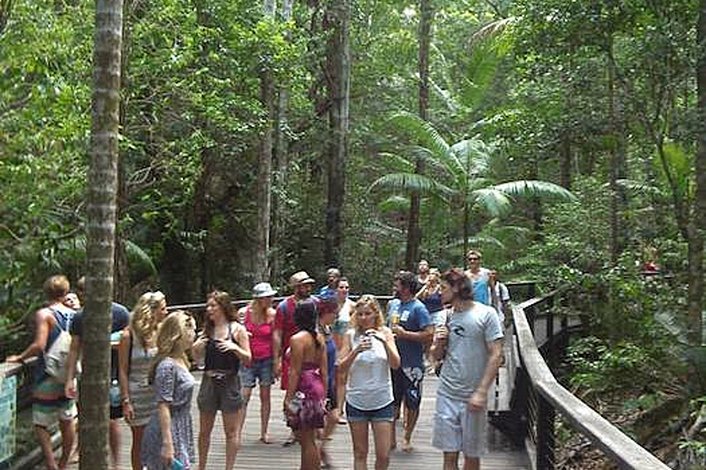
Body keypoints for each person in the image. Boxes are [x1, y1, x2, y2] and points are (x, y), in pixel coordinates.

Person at [430, 268, 503, 470]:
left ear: (456, 288)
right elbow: (435, 357)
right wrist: (439, 342)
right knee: (449, 454)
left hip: (473, 395)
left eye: (443, 288)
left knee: (471, 456)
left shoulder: (486, 314)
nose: (439, 292)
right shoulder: (444, 317)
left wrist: (482, 391)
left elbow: (496, 354)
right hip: (447, 393)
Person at [6, 275, 77, 470]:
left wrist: (20, 357)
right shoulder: (74, 314)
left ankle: (51, 464)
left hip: (48, 374)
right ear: (65, 291)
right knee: (67, 419)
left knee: (40, 422)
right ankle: (63, 463)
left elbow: (39, 345)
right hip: (68, 374)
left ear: (46, 292)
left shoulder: (45, 314)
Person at [63, 276, 130, 469]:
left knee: (112, 420)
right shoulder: (79, 317)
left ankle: (116, 463)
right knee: (86, 418)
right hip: (88, 375)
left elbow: (128, 342)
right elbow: (74, 348)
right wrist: (69, 379)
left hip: (114, 373)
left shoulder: (120, 313)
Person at [338, 295, 400, 470]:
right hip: (357, 400)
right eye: (360, 314)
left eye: (367, 314)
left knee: (383, 455)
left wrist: (384, 342)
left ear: (375, 314)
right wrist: (356, 351)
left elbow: (395, 364)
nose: (364, 318)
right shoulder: (350, 335)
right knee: (360, 452)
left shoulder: (385, 333)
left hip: (382, 400)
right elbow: (341, 367)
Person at [192, 291, 251, 470]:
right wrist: (196, 348)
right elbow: (196, 359)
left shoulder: (237, 329)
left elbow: (248, 359)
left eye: (213, 306)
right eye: (208, 306)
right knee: (204, 431)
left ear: (223, 307)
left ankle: (229, 467)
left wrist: (234, 348)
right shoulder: (207, 330)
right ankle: (201, 466)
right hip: (209, 381)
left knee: (231, 431)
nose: (209, 309)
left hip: (230, 381)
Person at [140, 311, 197, 470]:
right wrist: (167, 442)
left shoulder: (182, 359)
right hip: (167, 428)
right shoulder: (167, 365)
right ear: (181, 333)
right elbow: (163, 404)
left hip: (181, 424)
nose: (194, 334)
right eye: (192, 330)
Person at [118, 291, 168, 470]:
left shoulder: (161, 331)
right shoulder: (128, 336)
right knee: (139, 440)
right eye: (163, 309)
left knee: (159, 438)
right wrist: (126, 400)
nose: (166, 312)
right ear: (151, 311)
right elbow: (122, 370)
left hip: (158, 393)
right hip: (137, 394)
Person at [387, 270, 433, 452]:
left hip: (412, 364)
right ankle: (390, 437)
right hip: (393, 361)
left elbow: (429, 334)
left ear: (406, 288)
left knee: (412, 400)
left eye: (397, 285)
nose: (394, 288)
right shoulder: (393, 305)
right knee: (392, 400)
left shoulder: (418, 308)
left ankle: (407, 436)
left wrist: (406, 334)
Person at [273, 270, 316, 446]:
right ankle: (294, 428)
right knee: (293, 392)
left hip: (312, 355)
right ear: (296, 287)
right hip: (291, 356)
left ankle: (313, 426)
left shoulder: (314, 304)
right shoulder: (284, 307)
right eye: (304, 285)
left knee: (312, 390)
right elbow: (277, 333)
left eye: (309, 285)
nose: (308, 288)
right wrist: (277, 359)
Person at [284, 299, 328, 470]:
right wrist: (324, 395)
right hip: (316, 385)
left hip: (304, 387)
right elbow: (324, 371)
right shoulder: (319, 338)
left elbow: (295, 371)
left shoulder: (297, 339)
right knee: (308, 437)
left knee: (306, 439)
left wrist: (288, 399)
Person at [237, 282, 277, 444]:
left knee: (265, 395)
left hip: (266, 359)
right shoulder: (244, 313)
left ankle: (264, 432)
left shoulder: (273, 315)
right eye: (267, 297)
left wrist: (277, 361)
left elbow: (276, 338)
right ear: (259, 299)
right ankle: (237, 433)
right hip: (248, 359)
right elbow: (236, 334)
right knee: (244, 395)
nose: (270, 300)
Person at [317, 296, 340, 468]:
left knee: (334, 417)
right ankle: (316, 453)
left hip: (330, 379)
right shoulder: (316, 332)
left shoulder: (327, 328)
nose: (336, 316)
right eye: (334, 313)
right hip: (319, 381)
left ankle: (321, 446)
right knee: (321, 418)